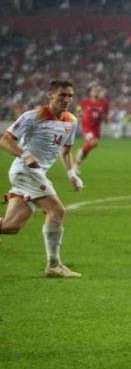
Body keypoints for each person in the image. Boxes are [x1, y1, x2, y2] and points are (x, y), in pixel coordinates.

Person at [0, 80, 85, 278]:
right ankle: (54, 265)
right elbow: (5, 140)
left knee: (12, 227)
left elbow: (65, 152)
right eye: (62, 95)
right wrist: (26, 155)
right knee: (57, 210)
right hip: (25, 170)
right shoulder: (33, 116)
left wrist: (72, 176)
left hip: (37, 173)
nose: (66, 99)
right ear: (50, 95)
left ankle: (54, 266)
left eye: (70, 95)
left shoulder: (71, 121)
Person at [73, 84, 109, 173]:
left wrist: (106, 119)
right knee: (93, 142)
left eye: (98, 91)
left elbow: (105, 115)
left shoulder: (104, 103)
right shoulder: (85, 102)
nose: (96, 92)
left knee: (91, 146)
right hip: (87, 127)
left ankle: (77, 163)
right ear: (91, 92)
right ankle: (78, 156)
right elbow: (78, 109)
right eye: (94, 90)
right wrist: (78, 117)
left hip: (97, 127)